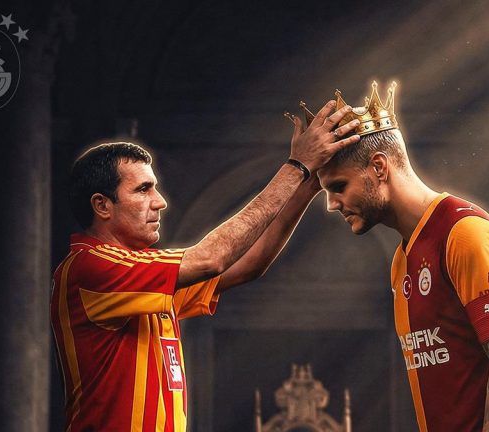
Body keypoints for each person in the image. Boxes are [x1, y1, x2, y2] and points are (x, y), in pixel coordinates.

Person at [50, 100, 361, 432]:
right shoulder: (90, 268)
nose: (160, 201)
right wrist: (297, 166)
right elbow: (213, 258)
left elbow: (248, 263)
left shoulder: (143, 278)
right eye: (143, 190)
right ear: (102, 206)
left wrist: (308, 184)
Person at [311, 82, 489, 432]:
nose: (332, 205)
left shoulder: (465, 234)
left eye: (338, 187)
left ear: (379, 167)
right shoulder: (402, 260)